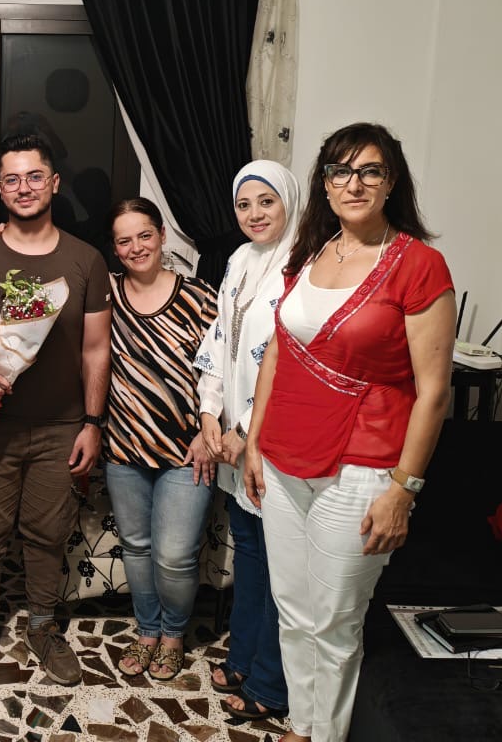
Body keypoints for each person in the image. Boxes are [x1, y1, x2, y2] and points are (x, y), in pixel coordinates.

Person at [243, 124, 455, 742]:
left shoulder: (418, 265)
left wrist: (403, 489)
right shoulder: (311, 253)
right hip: (283, 458)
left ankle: (324, 735)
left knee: (334, 621)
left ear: (391, 182)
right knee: (293, 611)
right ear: (325, 183)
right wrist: (254, 442)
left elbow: (434, 392)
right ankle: (302, 725)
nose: (354, 183)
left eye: (370, 171)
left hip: (362, 466)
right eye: (340, 171)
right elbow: (278, 352)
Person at [0, 133, 112, 698]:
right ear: (0, 188)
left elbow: (96, 350)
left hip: (61, 428)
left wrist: (92, 423)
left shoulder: (85, 260)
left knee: (48, 534)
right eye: (12, 179)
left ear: (54, 183)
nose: (24, 188)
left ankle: (42, 626)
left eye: (34, 176)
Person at [193, 160, 302, 722]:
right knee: (251, 555)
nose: (255, 214)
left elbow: (293, 363)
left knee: (282, 569)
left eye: (267, 202)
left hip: (274, 441)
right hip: (235, 441)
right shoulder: (239, 260)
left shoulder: (306, 265)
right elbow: (220, 341)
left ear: (289, 202)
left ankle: (272, 686)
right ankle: (243, 658)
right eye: (244, 204)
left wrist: (244, 429)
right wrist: (210, 413)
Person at [103, 197, 219, 682]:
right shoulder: (105, 293)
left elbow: (223, 370)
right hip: (123, 447)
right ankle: (147, 630)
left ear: (162, 235)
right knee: (136, 546)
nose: (136, 247)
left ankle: (173, 634)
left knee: (173, 555)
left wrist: (211, 432)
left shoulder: (199, 296)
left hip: (186, 451)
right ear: (115, 248)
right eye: (124, 240)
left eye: (145, 235)